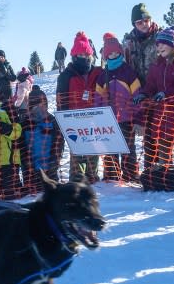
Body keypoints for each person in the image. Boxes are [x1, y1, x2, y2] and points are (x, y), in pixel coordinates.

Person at [135, 27, 174, 178]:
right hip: (163, 114)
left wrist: (165, 93)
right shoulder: (157, 66)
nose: (159, 47)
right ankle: (167, 175)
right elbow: (150, 86)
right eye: (157, 44)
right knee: (164, 145)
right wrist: (142, 94)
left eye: (163, 43)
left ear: (173, 45)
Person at [96, 32, 143, 183]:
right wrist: (99, 117)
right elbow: (98, 98)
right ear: (106, 55)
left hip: (126, 118)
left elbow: (137, 95)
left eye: (116, 52)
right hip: (109, 119)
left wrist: (137, 117)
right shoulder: (103, 75)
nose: (114, 54)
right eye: (110, 53)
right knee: (110, 148)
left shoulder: (128, 71)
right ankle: (111, 175)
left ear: (121, 52)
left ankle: (130, 175)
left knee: (128, 147)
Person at [56, 31, 103, 182]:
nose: (84, 58)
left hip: (94, 120)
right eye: (80, 55)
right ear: (75, 56)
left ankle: (92, 177)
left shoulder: (97, 73)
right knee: (77, 152)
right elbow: (61, 99)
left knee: (93, 150)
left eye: (86, 55)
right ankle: (76, 179)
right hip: (74, 120)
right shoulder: (66, 75)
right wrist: (64, 120)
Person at [23, 85, 64, 193]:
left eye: (42, 105)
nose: (39, 109)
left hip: (50, 167)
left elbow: (59, 142)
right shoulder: (25, 123)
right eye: (36, 106)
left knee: (53, 192)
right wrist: (26, 163)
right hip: (31, 170)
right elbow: (22, 146)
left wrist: (56, 159)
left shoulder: (52, 121)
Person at [123, 3, 162, 84]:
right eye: (139, 22)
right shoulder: (129, 42)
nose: (144, 24)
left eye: (146, 20)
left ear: (151, 20)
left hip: (160, 85)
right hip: (138, 88)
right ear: (134, 25)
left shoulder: (162, 36)